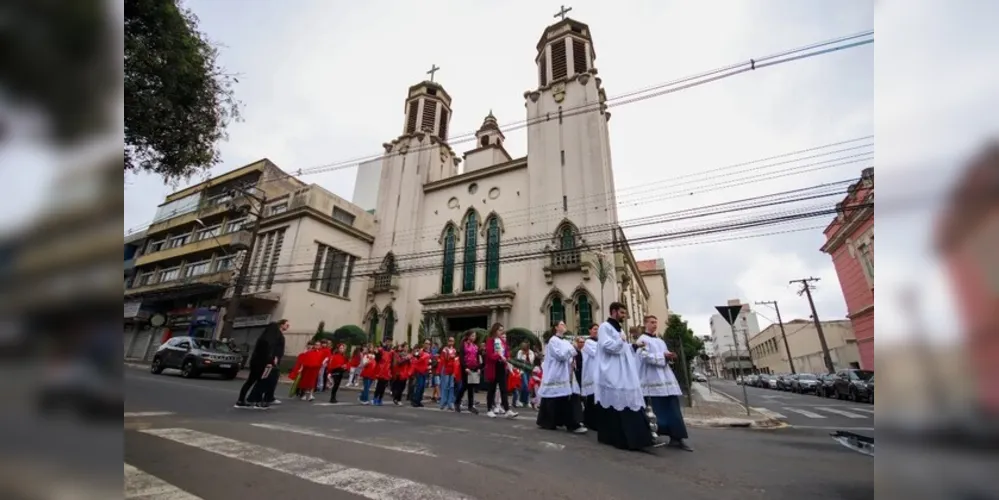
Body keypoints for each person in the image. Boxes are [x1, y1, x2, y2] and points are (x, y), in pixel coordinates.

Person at [594, 302, 655, 451]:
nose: (624, 316)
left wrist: (633, 346)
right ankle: (624, 439)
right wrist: (621, 341)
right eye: (622, 313)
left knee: (628, 402)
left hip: (624, 371)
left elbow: (623, 349)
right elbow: (607, 346)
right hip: (612, 372)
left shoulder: (619, 329)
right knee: (619, 404)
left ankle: (639, 438)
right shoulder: (605, 327)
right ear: (614, 312)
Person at [638, 315, 693, 451]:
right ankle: (652, 435)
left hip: (667, 379)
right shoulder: (642, 340)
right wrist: (663, 356)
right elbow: (644, 357)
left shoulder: (660, 341)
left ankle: (677, 437)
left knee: (673, 408)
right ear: (645, 324)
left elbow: (665, 354)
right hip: (653, 379)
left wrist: (670, 356)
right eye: (652, 322)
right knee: (657, 410)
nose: (654, 325)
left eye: (656, 322)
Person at [536, 320, 587, 433]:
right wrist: (573, 349)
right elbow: (560, 356)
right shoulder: (553, 341)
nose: (564, 326)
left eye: (564, 324)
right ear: (556, 327)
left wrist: (571, 359)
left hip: (567, 373)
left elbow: (568, 356)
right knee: (557, 397)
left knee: (569, 397)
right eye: (562, 324)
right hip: (557, 374)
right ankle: (557, 422)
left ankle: (572, 422)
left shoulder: (565, 341)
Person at [235, 319, 289, 409]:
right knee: (262, 382)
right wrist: (271, 362)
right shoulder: (269, 341)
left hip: (255, 362)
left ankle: (241, 400)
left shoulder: (262, 339)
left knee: (250, 381)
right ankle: (257, 402)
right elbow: (268, 353)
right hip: (263, 364)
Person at [484, 323, 517, 419]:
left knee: (504, 389)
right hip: (493, 367)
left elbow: (506, 352)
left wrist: (506, 357)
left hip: (502, 366)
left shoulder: (502, 341)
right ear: (495, 330)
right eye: (499, 330)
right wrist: (498, 356)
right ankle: (489, 409)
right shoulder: (490, 341)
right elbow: (490, 355)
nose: (501, 332)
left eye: (502, 330)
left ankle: (507, 410)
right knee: (492, 389)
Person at [454, 331, 481, 414]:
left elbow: (477, 358)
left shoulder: (476, 346)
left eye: (475, 336)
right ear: (468, 336)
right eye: (472, 336)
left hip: (474, 368)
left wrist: (478, 368)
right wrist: (465, 367)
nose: (474, 337)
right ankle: (457, 402)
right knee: (464, 386)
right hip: (466, 368)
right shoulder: (464, 345)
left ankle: (470, 406)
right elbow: (461, 358)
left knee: (471, 387)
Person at [580, 323, 600, 430]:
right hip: (591, 373)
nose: (597, 331)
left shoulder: (600, 342)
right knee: (591, 398)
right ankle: (589, 421)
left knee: (597, 399)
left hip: (599, 373)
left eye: (598, 329)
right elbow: (595, 353)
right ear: (590, 331)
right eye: (595, 329)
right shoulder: (588, 342)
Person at [514, 342, 536, 408]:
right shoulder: (520, 352)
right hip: (522, 371)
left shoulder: (531, 353)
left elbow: (531, 361)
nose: (523, 350)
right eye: (523, 349)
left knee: (528, 386)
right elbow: (518, 361)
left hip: (529, 371)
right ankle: (523, 400)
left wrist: (526, 355)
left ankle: (526, 401)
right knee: (525, 385)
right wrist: (523, 356)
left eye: (525, 349)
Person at [438, 337, 457, 410]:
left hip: (452, 370)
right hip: (446, 369)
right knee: (445, 386)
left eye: (452, 341)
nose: (451, 342)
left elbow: (455, 360)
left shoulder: (454, 350)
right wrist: (450, 356)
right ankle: (443, 403)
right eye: (449, 341)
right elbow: (444, 359)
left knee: (451, 386)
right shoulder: (444, 349)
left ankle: (450, 403)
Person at [410, 339, 432, 407]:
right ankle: (415, 401)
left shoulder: (429, 352)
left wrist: (429, 369)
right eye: (426, 343)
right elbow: (415, 357)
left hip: (425, 372)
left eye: (428, 344)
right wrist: (419, 355)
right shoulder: (421, 351)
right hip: (419, 371)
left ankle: (418, 401)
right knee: (419, 386)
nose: (427, 345)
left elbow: (429, 362)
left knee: (422, 387)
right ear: (424, 344)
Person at [373, 339, 394, 406]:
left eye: (390, 342)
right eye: (387, 342)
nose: (388, 343)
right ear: (385, 342)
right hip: (381, 370)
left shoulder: (391, 352)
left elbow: (392, 362)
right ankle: (375, 398)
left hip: (387, 371)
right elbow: (377, 359)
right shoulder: (381, 350)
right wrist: (376, 353)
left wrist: (390, 371)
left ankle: (380, 398)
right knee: (379, 385)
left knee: (383, 387)